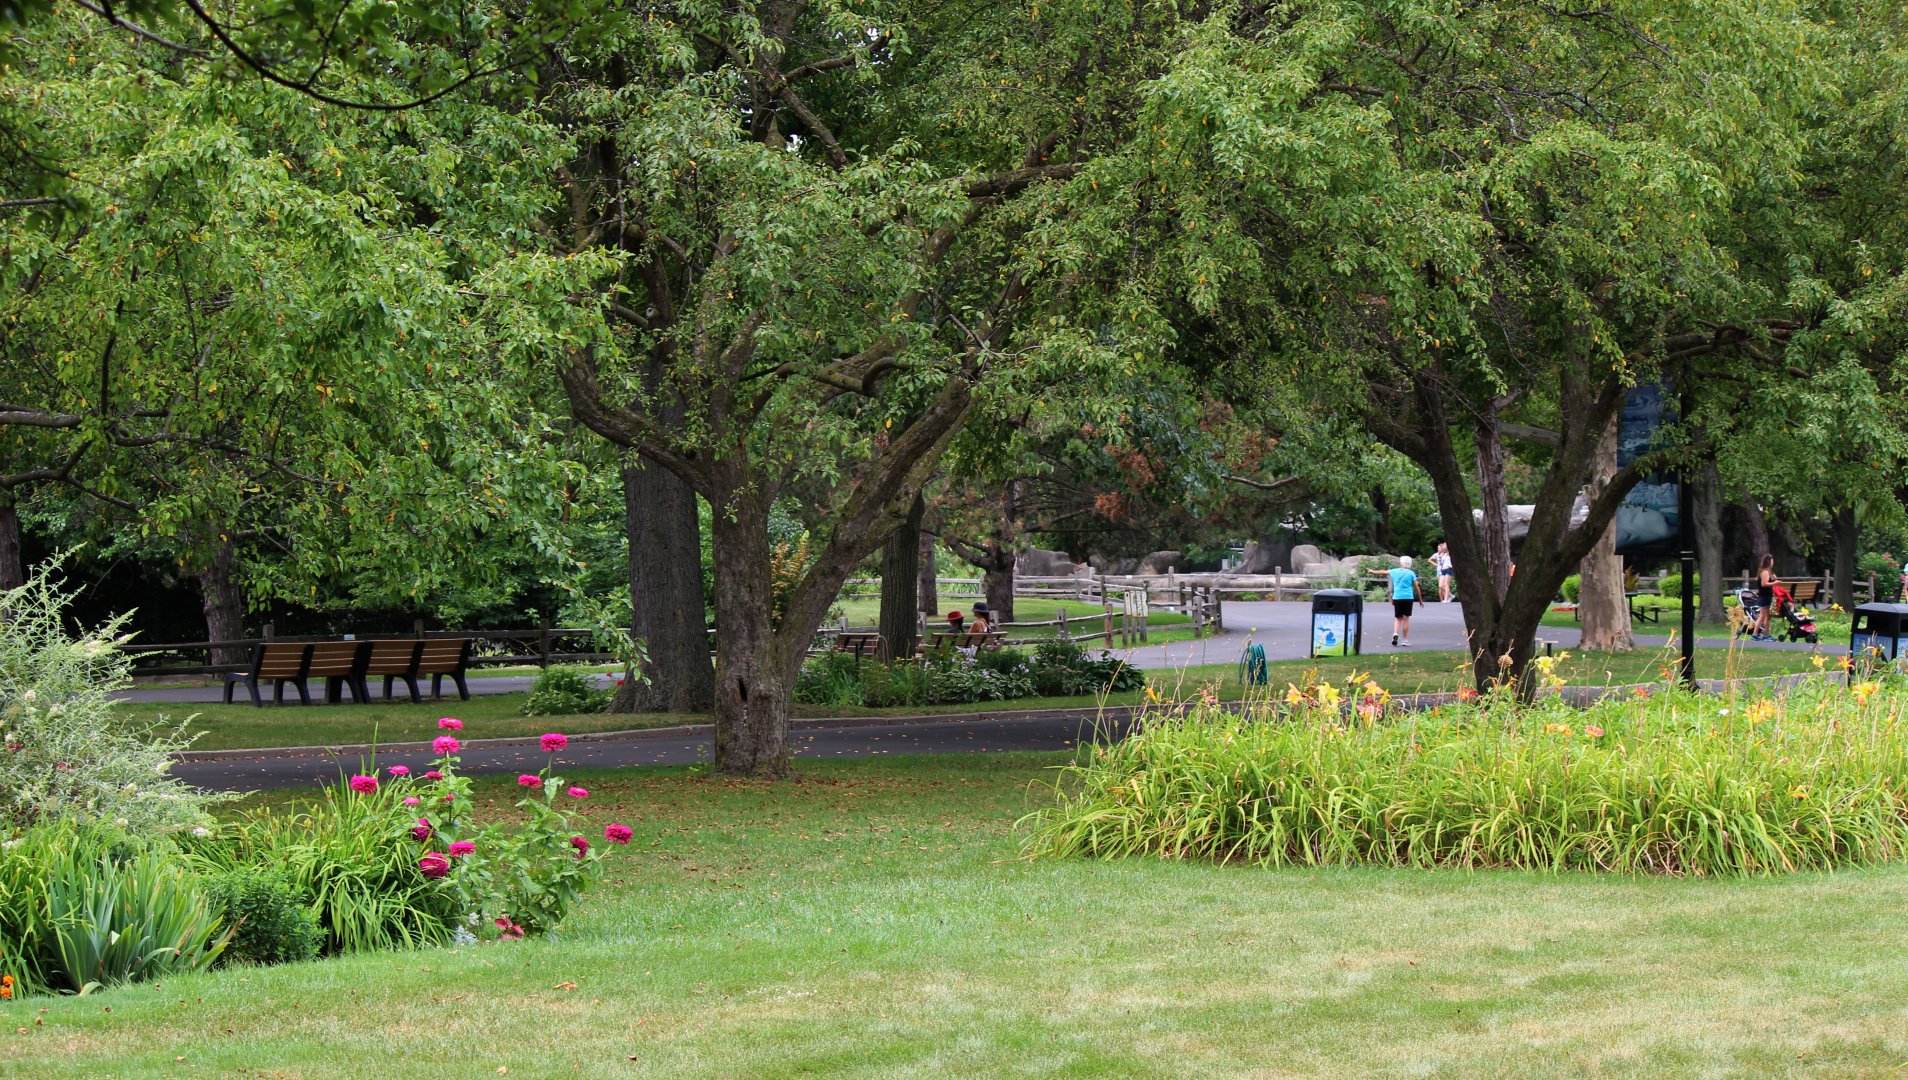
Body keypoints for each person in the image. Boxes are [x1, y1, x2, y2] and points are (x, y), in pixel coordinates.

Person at [1367, 555, 1421, 647]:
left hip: (1397, 597)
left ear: (1401, 563)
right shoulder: (1411, 573)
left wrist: (1372, 571)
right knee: (1406, 618)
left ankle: (1395, 633)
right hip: (1408, 598)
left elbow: (1383, 572)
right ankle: (1404, 640)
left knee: (1398, 618)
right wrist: (1420, 599)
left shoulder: (1394, 571)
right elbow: (1416, 587)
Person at [1754, 554, 1779, 641]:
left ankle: (1755, 634)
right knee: (1767, 617)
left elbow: (1769, 582)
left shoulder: (1768, 571)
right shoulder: (1765, 572)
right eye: (1772, 561)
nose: (1773, 562)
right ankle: (1766, 635)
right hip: (1764, 597)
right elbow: (1764, 584)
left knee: (1762, 617)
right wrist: (1775, 582)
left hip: (1766, 596)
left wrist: (1774, 579)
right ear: (1768, 562)